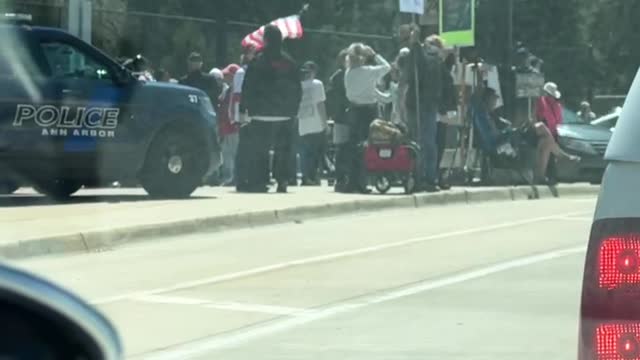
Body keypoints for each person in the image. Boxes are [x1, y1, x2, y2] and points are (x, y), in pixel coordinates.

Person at [240, 25, 302, 193]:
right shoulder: (289, 62)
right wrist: (294, 109)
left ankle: (260, 181)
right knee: (284, 150)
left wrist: (243, 108)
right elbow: (297, 88)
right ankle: (282, 180)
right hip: (285, 114)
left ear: (265, 40)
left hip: (260, 114)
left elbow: (248, 87)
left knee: (260, 150)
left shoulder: (257, 61)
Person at [472, 88, 578, 182]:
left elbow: (504, 126)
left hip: (507, 138)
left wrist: (513, 128)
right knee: (541, 127)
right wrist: (511, 132)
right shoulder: (483, 116)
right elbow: (493, 138)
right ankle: (562, 156)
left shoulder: (491, 114)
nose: (495, 101)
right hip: (501, 145)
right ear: (487, 99)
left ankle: (540, 176)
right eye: (494, 99)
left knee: (545, 140)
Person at [344, 43, 391, 193]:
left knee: (353, 145)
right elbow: (387, 67)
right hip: (369, 111)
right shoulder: (369, 71)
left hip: (353, 109)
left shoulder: (348, 73)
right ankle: (366, 180)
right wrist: (374, 54)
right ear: (364, 58)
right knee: (368, 146)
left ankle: (353, 181)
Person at [400, 29, 443, 192]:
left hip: (426, 105)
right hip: (417, 104)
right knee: (417, 142)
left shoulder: (434, 60)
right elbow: (411, 72)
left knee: (427, 143)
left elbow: (422, 70)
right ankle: (417, 175)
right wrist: (415, 46)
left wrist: (416, 45)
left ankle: (427, 177)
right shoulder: (418, 55)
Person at [534, 82, 580, 183]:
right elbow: (543, 118)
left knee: (549, 149)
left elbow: (556, 121)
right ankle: (563, 156)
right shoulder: (544, 102)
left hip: (551, 133)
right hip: (545, 132)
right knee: (549, 148)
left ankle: (560, 159)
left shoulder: (553, 105)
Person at [298, 61, 328, 186]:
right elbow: (320, 104)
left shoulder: (299, 85)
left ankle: (306, 176)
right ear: (314, 72)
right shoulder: (318, 84)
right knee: (316, 152)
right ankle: (313, 176)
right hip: (316, 122)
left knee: (305, 152)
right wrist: (324, 122)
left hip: (303, 122)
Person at [232, 46, 257, 192]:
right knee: (244, 148)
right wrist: (240, 116)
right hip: (244, 114)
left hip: (251, 113)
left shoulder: (253, 72)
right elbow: (238, 96)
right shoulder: (242, 72)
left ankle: (248, 178)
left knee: (251, 148)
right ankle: (241, 179)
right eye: (252, 53)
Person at [327, 49, 351, 192]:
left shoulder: (336, 77)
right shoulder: (338, 77)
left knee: (345, 149)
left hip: (344, 116)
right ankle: (341, 178)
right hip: (341, 117)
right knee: (342, 149)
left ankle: (344, 178)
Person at [217, 64, 241, 186]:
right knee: (227, 153)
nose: (225, 78)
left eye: (228, 75)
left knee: (234, 153)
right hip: (225, 127)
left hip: (233, 127)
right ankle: (229, 177)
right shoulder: (227, 90)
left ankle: (234, 177)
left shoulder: (237, 90)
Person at [437, 51, 457, 190]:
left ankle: (438, 175)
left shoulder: (441, 74)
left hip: (439, 112)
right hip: (442, 114)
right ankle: (438, 175)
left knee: (439, 145)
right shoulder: (447, 76)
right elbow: (450, 97)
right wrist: (451, 113)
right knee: (440, 145)